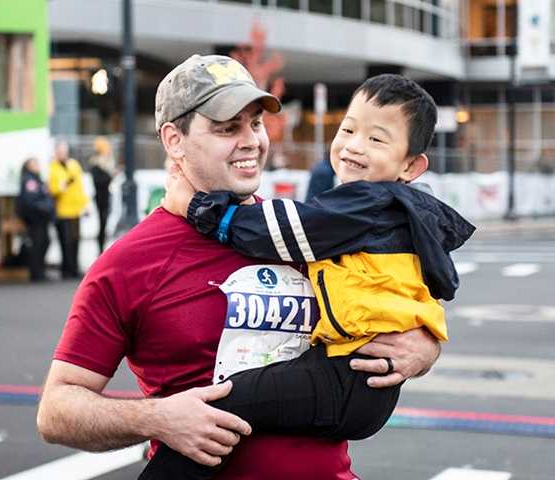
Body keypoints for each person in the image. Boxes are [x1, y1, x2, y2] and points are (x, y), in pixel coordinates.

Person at [37, 55, 442, 480]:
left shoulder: (305, 234)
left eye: (255, 124)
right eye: (228, 128)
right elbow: (57, 410)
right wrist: (155, 418)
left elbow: (394, 292)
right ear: (174, 139)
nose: (251, 141)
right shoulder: (128, 263)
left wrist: (424, 347)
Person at [146, 74, 476, 479]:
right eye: (349, 129)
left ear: (410, 165)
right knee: (250, 412)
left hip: (348, 374)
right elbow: (432, 288)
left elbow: (281, 231)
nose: (355, 145)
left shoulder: (368, 202)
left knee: (223, 405)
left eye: (377, 139)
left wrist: (202, 210)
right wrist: (427, 341)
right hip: (361, 382)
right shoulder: (403, 210)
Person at [47, 141, 89, 279]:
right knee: (65, 241)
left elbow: (80, 187)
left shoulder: (74, 165)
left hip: (75, 210)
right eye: (59, 152)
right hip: (62, 211)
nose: (62, 155)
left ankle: (74, 268)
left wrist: (85, 204)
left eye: (64, 152)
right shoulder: (52, 168)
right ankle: (66, 269)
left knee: (75, 240)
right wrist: (61, 186)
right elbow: (52, 190)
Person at [16, 157, 55, 282]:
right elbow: (30, 202)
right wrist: (46, 208)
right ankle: (36, 273)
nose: (37, 166)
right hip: (35, 219)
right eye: (34, 164)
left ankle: (40, 271)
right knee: (37, 245)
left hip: (42, 219)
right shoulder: (29, 181)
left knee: (44, 242)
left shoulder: (37, 179)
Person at [89, 136, 115, 254]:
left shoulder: (104, 162)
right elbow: (100, 181)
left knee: (104, 224)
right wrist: (110, 175)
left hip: (105, 196)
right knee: (102, 224)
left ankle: (102, 248)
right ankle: (100, 250)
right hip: (100, 198)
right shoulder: (96, 164)